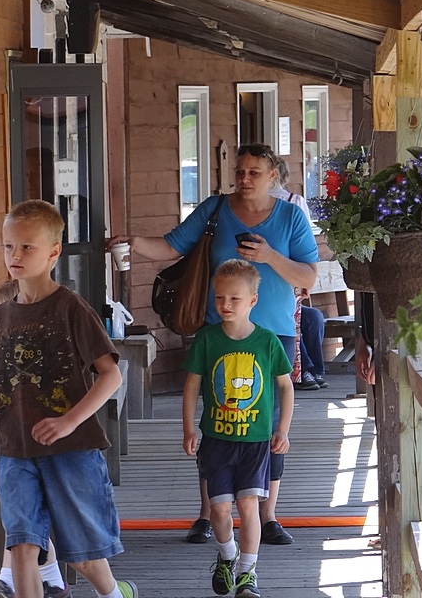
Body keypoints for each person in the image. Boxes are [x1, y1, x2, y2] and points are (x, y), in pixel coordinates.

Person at [109, 143, 318, 546]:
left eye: (253, 172)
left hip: (273, 330)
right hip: (218, 330)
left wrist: (271, 256)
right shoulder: (216, 209)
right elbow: (172, 246)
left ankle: (267, 513)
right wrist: (133, 242)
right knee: (219, 418)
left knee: (270, 422)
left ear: (272, 176)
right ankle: (208, 511)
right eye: (239, 171)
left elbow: (307, 276)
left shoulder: (290, 217)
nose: (243, 179)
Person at [0, 200, 137, 598]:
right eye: (8, 246)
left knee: (82, 555)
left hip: (72, 449)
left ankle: (115, 594)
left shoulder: (71, 308)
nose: (15, 255)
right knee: (23, 545)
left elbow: (110, 375)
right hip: (15, 450)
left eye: (27, 247)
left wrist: (69, 421)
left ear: (53, 252)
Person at [182, 259, 294, 598]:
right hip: (216, 438)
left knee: (248, 507)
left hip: (256, 439)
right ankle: (227, 557)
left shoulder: (267, 342)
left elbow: (285, 386)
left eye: (234, 299)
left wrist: (283, 429)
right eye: (219, 298)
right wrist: (188, 428)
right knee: (218, 509)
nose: (225, 306)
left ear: (252, 301)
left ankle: (247, 573)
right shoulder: (206, 340)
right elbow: (191, 386)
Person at [0, 280, 70, 598]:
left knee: (25, 518)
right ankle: (49, 582)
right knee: (25, 516)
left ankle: (15, 581)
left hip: (40, 447)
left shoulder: (33, 352)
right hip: (17, 446)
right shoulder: (5, 347)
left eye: (2, 315)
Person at [269, 155, 327, 391]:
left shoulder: (252, 203)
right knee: (294, 321)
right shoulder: (294, 201)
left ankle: (308, 371)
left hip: (269, 275)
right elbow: (305, 241)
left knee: (298, 321)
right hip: (290, 272)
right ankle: (310, 372)